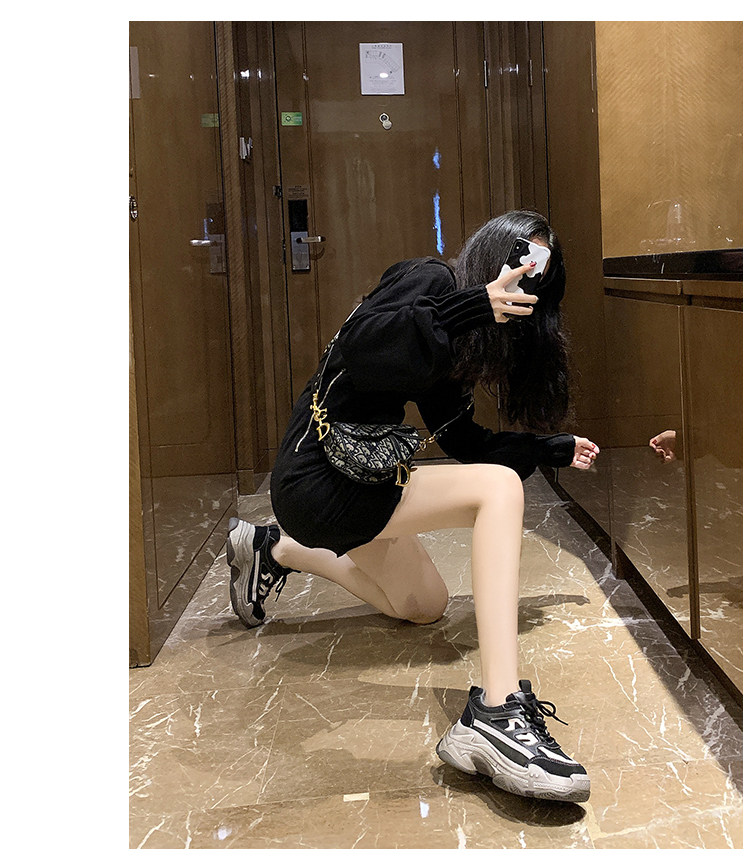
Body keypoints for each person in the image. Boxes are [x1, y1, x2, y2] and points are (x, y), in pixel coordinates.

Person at [226, 210, 599, 803]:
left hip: (363, 482)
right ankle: (496, 714)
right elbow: (363, 346)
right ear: (492, 252)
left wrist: (548, 448)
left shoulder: (457, 342)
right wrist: (472, 305)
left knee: (423, 606)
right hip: (317, 477)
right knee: (500, 489)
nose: (526, 277)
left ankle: (275, 549)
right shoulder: (431, 281)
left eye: (539, 275)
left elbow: (467, 442)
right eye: (522, 258)